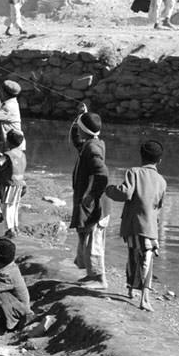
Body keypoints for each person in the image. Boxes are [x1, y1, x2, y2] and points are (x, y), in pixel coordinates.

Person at [106, 140, 167, 312]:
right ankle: (145, 299)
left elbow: (125, 193)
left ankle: (131, 289)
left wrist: (109, 190)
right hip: (149, 227)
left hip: (131, 225)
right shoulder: (162, 181)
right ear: (159, 160)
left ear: (141, 156)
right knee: (146, 259)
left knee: (133, 255)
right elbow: (159, 206)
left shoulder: (134, 172)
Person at [69, 107, 111, 288]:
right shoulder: (91, 143)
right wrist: (79, 117)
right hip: (91, 202)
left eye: (78, 127)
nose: (77, 130)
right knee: (87, 238)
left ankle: (101, 280)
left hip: (96, 204)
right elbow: (75, 139)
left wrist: (92, 195)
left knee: (94, 242)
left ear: (84, 130)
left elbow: (102, 175)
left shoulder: (92, 148)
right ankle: (91, 274)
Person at [0, 130, 26, 237]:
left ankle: (10, 230)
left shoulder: (7, 155)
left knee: (6, 207)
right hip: (19, 184)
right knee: (14, 206)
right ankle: (15, 227)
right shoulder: (22, 154)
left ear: (8, 142)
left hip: (8, 184)